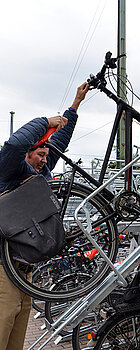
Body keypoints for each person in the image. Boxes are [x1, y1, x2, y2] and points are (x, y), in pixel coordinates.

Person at [0, 82, 89, 350]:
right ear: (28, 154)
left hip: (24, 273)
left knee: (15, 341)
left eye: (46, 155)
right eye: (40, 154)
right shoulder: (9, 171)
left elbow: (59, 141)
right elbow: (16, 143)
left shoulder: (39, 172)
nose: (45, 160)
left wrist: (74, 105)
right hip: (2, 274)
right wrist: (45, 122)